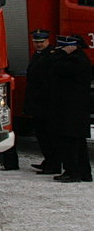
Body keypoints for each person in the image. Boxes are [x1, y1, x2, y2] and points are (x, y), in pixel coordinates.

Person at [48, 35, 93, 183]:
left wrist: (61, 54)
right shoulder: (80, 59)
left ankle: (72, 172)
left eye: (61, 48)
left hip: (70, 110)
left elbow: (51, 65)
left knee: (70, 142)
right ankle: (84, 173)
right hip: (76, 109)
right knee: (78, 143)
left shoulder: (74, 61)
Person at [24, 29, 61, 174]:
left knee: (49, 135)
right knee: (42, 135)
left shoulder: (51, 56)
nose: (38, 44)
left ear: (48, 41)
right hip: (38, 102)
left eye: (41, 42)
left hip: (46, 103)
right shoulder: (38, 55)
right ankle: (49, 161)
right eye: (36, 42)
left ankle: (54, 164)